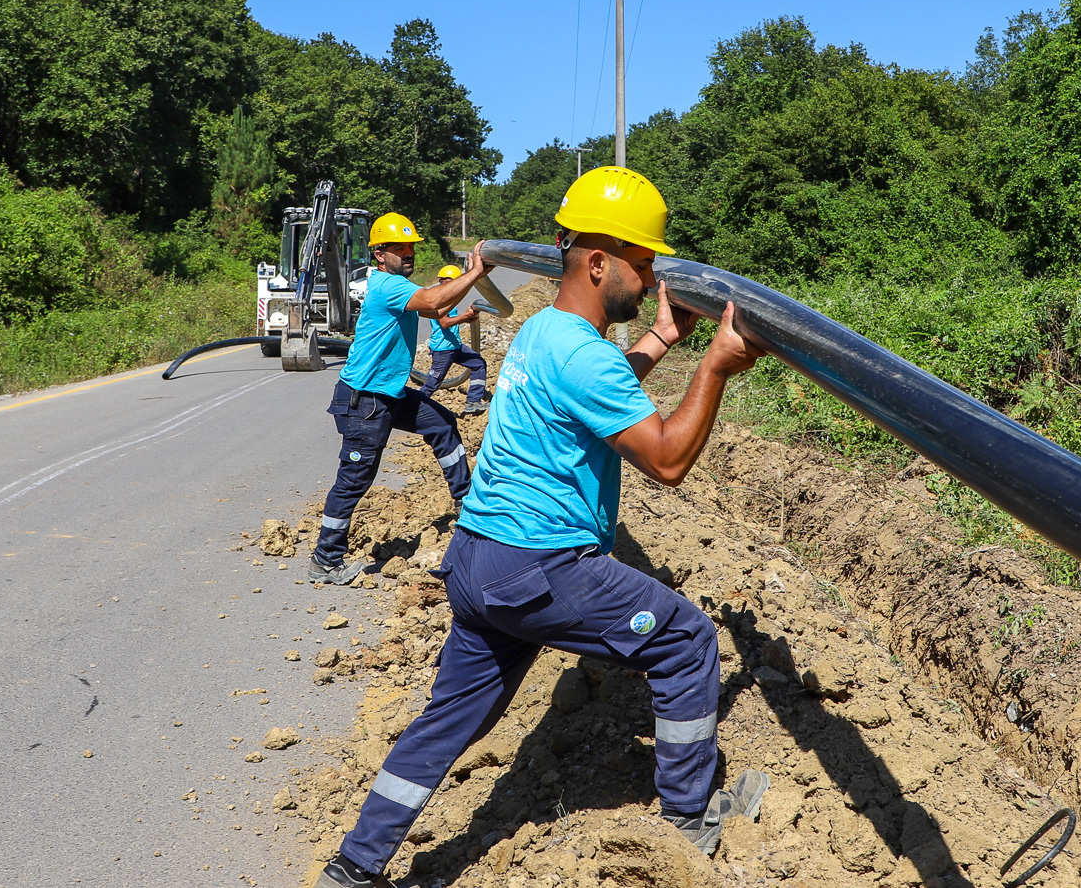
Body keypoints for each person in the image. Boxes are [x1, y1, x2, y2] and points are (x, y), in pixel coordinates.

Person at [313, 167, 772, 888]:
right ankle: (689, 829)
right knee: (685, 641)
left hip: (477, 561)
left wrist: (659, 338)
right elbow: (668, 459)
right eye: (644, 263)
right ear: (598, 262)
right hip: (538, 565)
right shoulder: (580, 351)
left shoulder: (543, 332)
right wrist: (713, 364)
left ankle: (355, 864)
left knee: (449, 720)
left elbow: (599, 389)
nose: (654, 277)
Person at [308, 212, 496, 587]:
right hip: (366, 401)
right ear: (380, 254)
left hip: (389, 394)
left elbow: (437, 309)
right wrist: (475, 272)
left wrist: (474, 285)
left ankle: (466, 505)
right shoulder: (386, 285)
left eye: (411, 247)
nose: (408, 253)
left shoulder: (395, 286)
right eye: (400, 247)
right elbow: (430, 302)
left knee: (442, 423)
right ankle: (325, 560)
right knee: (354, 480)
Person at [416, 264, 490, 415]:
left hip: (455, 346)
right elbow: (444, 323)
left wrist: (464, 319)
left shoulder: (447, 297)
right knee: (432, 384)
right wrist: (464, 316)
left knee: (478, 364)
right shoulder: (440, 298)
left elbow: (451, 321)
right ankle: (412, 410)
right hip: (443, 349)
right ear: (446, 281)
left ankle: (473, 402)